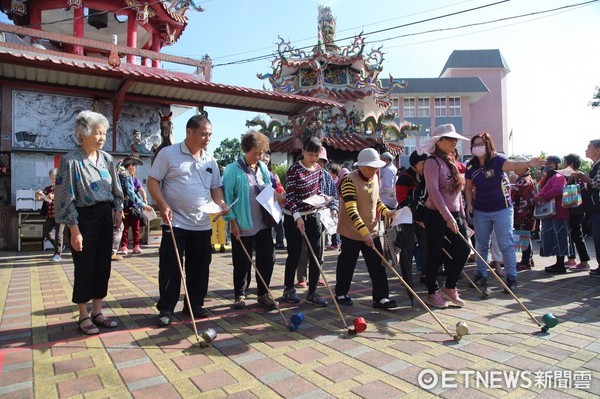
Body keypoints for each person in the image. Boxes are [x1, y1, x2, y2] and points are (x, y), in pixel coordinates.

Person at [147, 114, 229, 327]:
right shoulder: (168, 154)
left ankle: (195, 304)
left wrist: (221, 205)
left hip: (201, 223)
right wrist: (162, 204)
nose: (207, 139)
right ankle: (166, 308)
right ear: (189, 132)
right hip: (174, 222)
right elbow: (153, 181)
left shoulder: (210, 160)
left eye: (209, 135)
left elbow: (215, 188)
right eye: (203, 134)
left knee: (200, 267)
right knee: (171, 267)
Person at [55, 110, 124, 335]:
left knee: (103, 265)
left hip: (105, 216)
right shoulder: (70, 161)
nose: (102, 137)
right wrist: (74, 228)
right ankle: (83, 315)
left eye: (104, 133)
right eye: (97, 133)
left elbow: (117, 190)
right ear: (83, 134)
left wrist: (117, 210)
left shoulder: (107, 159)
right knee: (84, 266)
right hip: (83, 218)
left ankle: (97, 311)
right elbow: (64, 198)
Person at [464, 132, 544, 293]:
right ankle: (481, 274)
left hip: (502, 208)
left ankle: (511, 277)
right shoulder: (471, 165)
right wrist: (469, 205)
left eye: (480, 144)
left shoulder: (497, 159)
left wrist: (529, 163)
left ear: (488, 144)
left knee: (506, 244)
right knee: (481, 245)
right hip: (481, 210)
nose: (477, 147)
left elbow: (513, 165)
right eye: (474, 144)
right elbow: (468, 187)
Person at [223, 131, 280, 310]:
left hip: (262, 223)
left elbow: (269, 189)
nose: (258, 156)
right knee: (241, 261)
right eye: (255, 153)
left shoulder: (262, 168)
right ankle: (239, 294)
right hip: (242, 223)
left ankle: (263, 293)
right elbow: (227, 198)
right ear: (245, 149)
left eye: (261, 153)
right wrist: (232, 221)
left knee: (267, 258)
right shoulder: (232, 170)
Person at [334, 148, 398, 309]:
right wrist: (364, 233)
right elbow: (351, 209)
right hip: (351, 231)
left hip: (372, 229)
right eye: (369, 167)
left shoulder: (375, 178)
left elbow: (376, 201)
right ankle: (341, 293)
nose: (373, 170)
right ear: (360, 166)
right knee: (347, 262)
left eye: (375, 167)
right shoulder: (349, 180)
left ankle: (381, 297)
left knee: (377, 264)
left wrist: (387, 212)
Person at [418, 124, 471, 308]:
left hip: (455, 213)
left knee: (464, 249)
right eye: (449, 138)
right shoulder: (432, 162)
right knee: (435, 253)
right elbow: (434, 192)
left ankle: (450, 287)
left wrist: (461, 215)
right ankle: (432, 291)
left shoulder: (452, 162)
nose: (453, 142)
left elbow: (458, 193)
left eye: (455, 138)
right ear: (438, 141)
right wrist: (448, 217)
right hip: (435, 214)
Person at [282, 136, 332, 307]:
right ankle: (289, 289)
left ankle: (312, 292)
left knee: (316, 254)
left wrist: (323, 198)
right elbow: (290, 196)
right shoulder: (294, 170)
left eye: (316, 155)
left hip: (312, 214)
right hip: (293, 216)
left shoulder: (318, 169)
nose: (313, 159)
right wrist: (297, 217)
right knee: (295, 254)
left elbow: (317, 190)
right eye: (310, 154)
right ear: (303, 152)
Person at [295, 146, 338, 287]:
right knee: (302, 248)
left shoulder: (326, 176)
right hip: (305, 214)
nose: (316, 161)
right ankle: (302, 277)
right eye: (312, 156)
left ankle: (316, 274)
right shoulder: (301, 172)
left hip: (322, 215)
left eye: (321, 160)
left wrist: (333, 208)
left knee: (320, 249)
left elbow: (334, 196)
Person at [395, 151, 428, 283]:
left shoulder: (425, 176)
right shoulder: (404, 177)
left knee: (425, 245)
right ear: (414, 164)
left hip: (422, 217)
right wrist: (415, 218)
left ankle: (425, 274)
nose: (425, 166)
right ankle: (407, 278)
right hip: (407, 217)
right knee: (408, 247)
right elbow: (402, 200)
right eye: (422, 164)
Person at [572, 140, 600, 277]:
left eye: (589, 147)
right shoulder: (594, 166)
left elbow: (597, 183)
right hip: (594, 209)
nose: (586, 150)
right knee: (596, 237)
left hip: (598, 208)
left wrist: (584, 177)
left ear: (598, 151)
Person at [537, 156, 569, 273]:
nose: (547, 166)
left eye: (549, 163)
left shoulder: (558, 176)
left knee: (559, 238)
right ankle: (558, 263)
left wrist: (543, 196)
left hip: (557, 212)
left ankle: (560, 265)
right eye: (546, 163)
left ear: (556, 165)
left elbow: (558, 189)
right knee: (555, 238)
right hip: (551, 212)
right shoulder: (551, 177)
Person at [119, 157, 152, 255]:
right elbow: (131, 194)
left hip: (134, 207)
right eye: (134, 166)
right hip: (124, 206)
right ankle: (124, 246)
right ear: (130, 166)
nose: (135, 168)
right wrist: (144, 205)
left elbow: (141, 190)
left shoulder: (133, 179)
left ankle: (136, 246)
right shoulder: (123, 177)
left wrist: (144, 198)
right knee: (124, 228)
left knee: (135, 228)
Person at [562, 153, 590, 271]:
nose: (562, 165)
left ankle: (584, 262)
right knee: (571, 235)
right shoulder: (571, 176)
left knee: (577, 235)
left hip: (576, 210)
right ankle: (571, 259)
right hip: (573, 209)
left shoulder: (576, 176)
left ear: (571, 164)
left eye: (564, 162)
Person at [510, 158, 536, 270]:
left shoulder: (525, 181)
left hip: (524, 214)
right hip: (521, 213)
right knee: (524, 236)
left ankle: (526, 261)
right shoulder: (522, 179)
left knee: (524, 235)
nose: (515, 168)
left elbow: (526, 200)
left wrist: (520, 215)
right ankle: (528, 259)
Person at [36, 168, 64, 261]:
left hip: (60, 214)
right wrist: (38, 195)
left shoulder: (62, 187)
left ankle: (58, 254)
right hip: (50, 214)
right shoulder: (48, 188)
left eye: (54, 178)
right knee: (47, 232)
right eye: (51, 178)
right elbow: (41, 198)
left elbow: (61, 198)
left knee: (59, 234)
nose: (53, 180)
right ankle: (59, 246)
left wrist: (52, 197)